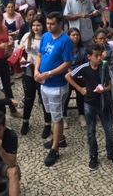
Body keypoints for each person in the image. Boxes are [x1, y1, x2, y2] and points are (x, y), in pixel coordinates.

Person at [65, 44, 113, 172]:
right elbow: (68, 76)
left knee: (109, 131)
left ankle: (111, 154)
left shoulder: (105, 67)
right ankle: (93, 155)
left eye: (100, 55)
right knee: (91, 131)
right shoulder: (84, 67)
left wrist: (103, 89)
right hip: (89, 104)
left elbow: (109, 86)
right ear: (89, 57)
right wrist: (80, 89)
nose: (99, 58)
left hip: (103, 103)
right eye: (96, 56)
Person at [35, 12, 73, 167]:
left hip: (57, 84)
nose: (49, 26)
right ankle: (60, 139)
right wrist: (37, 71)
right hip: (44, 83)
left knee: (57, 118)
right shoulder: (45, 36)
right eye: (47, 23)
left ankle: (55, 149)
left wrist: (49, 73)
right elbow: (39, 55)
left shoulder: (66, 41)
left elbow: (68, 63)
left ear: (60, 24)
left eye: (52, 24)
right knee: (51, 113)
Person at [19, 16, 52, 136]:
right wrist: (22, 58)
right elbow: (19, 51)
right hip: (28, 71)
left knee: (44, 99)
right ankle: (25, 122)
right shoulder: (27, 36)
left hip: (42, 72)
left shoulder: (47, 37)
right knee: (28, 98)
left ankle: (48, 124)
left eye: (38, 25)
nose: (35, 28)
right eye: (33, 25)